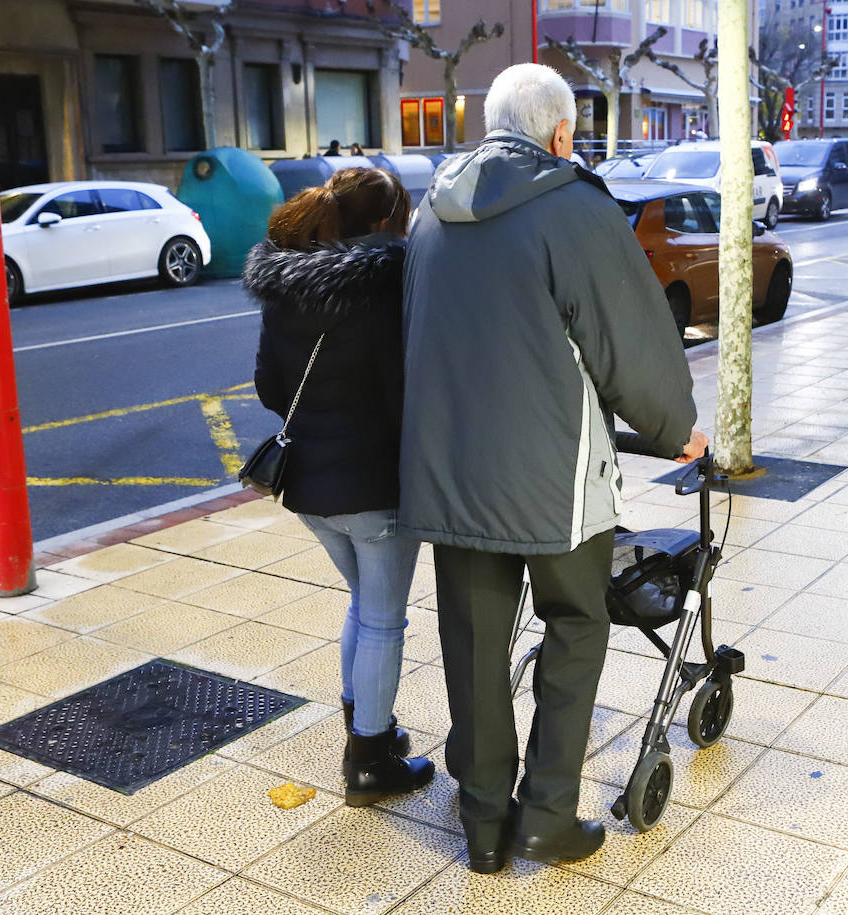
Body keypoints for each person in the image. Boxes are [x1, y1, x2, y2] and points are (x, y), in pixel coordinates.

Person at [400, 63, 705, 874]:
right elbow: (629, 340)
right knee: (576, 619)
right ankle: (545, 815)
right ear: (561, 133)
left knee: (472, 635)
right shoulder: (573, 207)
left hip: (448, 469)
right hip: (551, 473)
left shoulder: (431, 210)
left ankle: (482, 819)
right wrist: (676, 428)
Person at [245, 169, 433, 807]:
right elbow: (404, 397)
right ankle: (370, 760)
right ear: (384, 222)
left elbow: (270, 385)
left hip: (308, 485)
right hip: (375, 485)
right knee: (383, 617)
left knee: (362, 603)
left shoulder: (288, 285)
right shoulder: (385, 289)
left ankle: (365, 727)